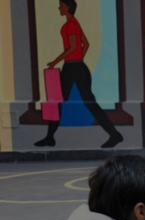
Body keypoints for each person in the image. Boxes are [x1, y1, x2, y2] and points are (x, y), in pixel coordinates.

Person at [34, 0, 123, 148]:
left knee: (57, 101)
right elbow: (85, 45)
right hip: (78, 67)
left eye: (61, 5)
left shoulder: (70, 25)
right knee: (83, 102)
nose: (59, 8)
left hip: (72, 68)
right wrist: (79, 59)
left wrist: (56, 61)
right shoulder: (75, 23)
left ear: (67, 7)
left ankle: (50, 138)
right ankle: (114, 134)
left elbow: (73, 47)